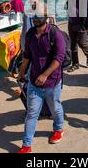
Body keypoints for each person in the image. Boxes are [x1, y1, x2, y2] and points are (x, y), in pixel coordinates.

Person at [17, 13, 66, 153]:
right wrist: (22, 73)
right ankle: (26, 145)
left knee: (55, 108)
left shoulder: (55, 34)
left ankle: (58, 128)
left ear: (46, 17)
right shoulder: (30, 34)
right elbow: (27, 55)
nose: (36, 19)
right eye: (34, 16)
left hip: (52, 82)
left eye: (39, 16)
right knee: (31, 112)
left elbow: (59, 58)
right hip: (34, 82)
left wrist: (45, 75)